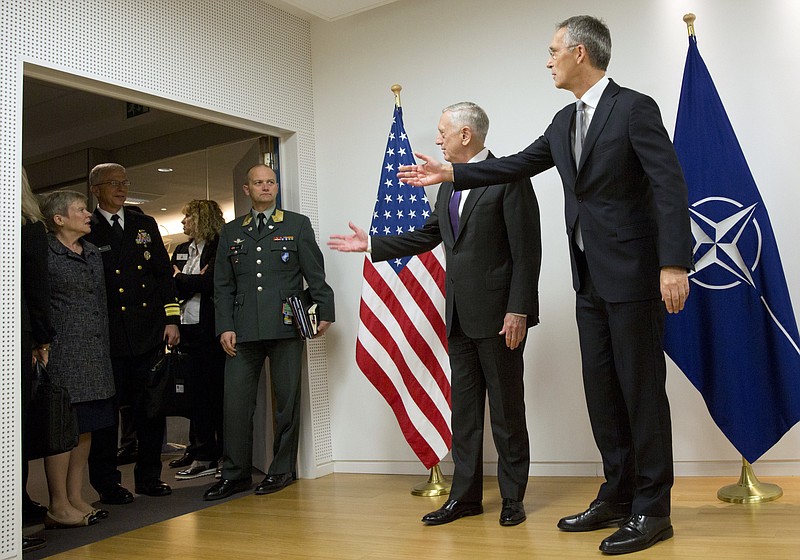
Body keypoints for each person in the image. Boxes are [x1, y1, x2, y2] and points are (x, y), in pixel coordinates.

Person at [397, 15, 692, 555]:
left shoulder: (634, 108)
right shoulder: (562, 122)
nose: (548, 59)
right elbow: (513, 166)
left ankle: (653, 510)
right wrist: (451, 174)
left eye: (554, 50)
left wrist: (673, 263)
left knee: (641, 393)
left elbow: (669, 184)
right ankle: (617, 495)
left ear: (580, 53)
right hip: (590, 283)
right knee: (602, 393)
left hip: (632, 277)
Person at [329, 102, 541, 527]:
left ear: (466, 135)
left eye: (443, 132)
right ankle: (465, 498)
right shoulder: (446, 186)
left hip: (500, 319)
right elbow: (429, 235)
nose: (438, 139)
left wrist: (518, 309)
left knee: (506, 413)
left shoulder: (508, 177)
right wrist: (372, 245)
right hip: (458, 318)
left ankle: (512, 499)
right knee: (463, 413)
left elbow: (527, 250)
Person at [204, 164, 334, 501]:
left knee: (286, 401)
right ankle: (235, 475)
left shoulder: (296, 224)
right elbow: (222, 286)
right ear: (246, 189)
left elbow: (314, 273)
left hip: (285, 324)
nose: (266, 187)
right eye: (259, 183)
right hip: (243, 328)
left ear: (277, 187)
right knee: (235, 403)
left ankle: (282, 470)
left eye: (271, 182)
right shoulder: (232, 232)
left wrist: (325, 310)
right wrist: (225, 326)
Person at [84, 163, 181, 504]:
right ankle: (107, 483)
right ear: (95, 188)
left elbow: (163, 276)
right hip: (108, 338)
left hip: (148, 332)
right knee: (107, 418)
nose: (121, 188)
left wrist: (172, 319)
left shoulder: (144, 223)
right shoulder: (87, 227)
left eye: (124, 182)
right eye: (113, 183)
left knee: (150, 410)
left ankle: (149, 477)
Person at [40, 190, 116, 528]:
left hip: (95, 352)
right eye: (81, 209)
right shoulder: (45, 251)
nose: (88, 214)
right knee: (62, 430)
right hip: (62, 352)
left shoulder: (92, 252)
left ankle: (75, 498)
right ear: (59, 219)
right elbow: (37, 301)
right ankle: (57, 504)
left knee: (85, 429)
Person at [169, 199, 227, 480]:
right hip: (186, 330)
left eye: (188, 217)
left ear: (202, 219)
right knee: (196, 399)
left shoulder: (219, 246)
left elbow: (212, 284)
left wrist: (183, 279)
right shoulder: (181, 250)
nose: (183, 223)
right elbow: (169, 287)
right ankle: (202, 455)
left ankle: (224, 456)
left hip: (211, 332)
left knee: (218, 396)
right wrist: (188, 280)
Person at [21, 167, 55, 551]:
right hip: (19, 333)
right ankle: (13, 514)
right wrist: (43, 339)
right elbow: (37, 287)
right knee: (16, 426)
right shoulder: (30, 226)